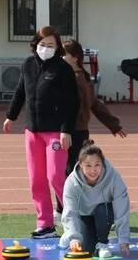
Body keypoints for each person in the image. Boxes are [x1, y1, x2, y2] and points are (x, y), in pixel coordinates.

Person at [3, 26, 79, 239]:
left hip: (55, 132)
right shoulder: (27, 65)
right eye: (42, 44)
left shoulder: (63, 69)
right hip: (32, 131)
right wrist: (11, 116)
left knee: (55, 175)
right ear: (35, 44)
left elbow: (72, 102)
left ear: (58, 47)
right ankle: (45, 224)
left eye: (51, 45)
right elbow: (20, 91)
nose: (46, 48)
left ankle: (77, 218)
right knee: (36, 179)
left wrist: (66, 130)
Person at [54, 39, 129, 215]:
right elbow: (95, 104)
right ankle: (67, 207)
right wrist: (113, 125)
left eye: (64, 54)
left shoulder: (77, 78)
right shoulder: (79, 76)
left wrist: (114, 124)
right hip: (75, 129)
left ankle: (68, 208)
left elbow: (93, 104)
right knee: (69, 170)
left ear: (75, 57)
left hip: (73, 130)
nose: (61, 57)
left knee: (71, 171)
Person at [60, 140, 131, 259]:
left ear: (102, 164)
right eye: (88, 165)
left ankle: (102, 244)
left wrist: (123, 239)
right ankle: (68, 235)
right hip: (84, 216)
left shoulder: (113, 176)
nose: (93, 170)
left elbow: (121, 206)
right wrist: (74, 238)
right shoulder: (71, 183)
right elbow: (70, 212)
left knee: (105, 209)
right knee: (85, 248)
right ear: (80, 164)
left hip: (104, 214)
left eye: (97, 165)